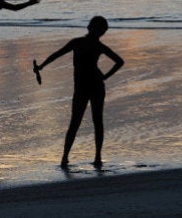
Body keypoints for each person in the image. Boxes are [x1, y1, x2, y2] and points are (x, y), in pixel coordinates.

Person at [34, 16, 123, 168]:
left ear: (93, 28)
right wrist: (105, 76)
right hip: (94, 86)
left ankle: (69, 158)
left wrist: (42, 66)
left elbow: (56, 55)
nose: (90, 27)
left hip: (86, 87)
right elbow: (119, 61)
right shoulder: (95, 45)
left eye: (93, 25)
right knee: (92, 122)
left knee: (79, 122)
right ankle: (91, 158)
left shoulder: (79, 42)